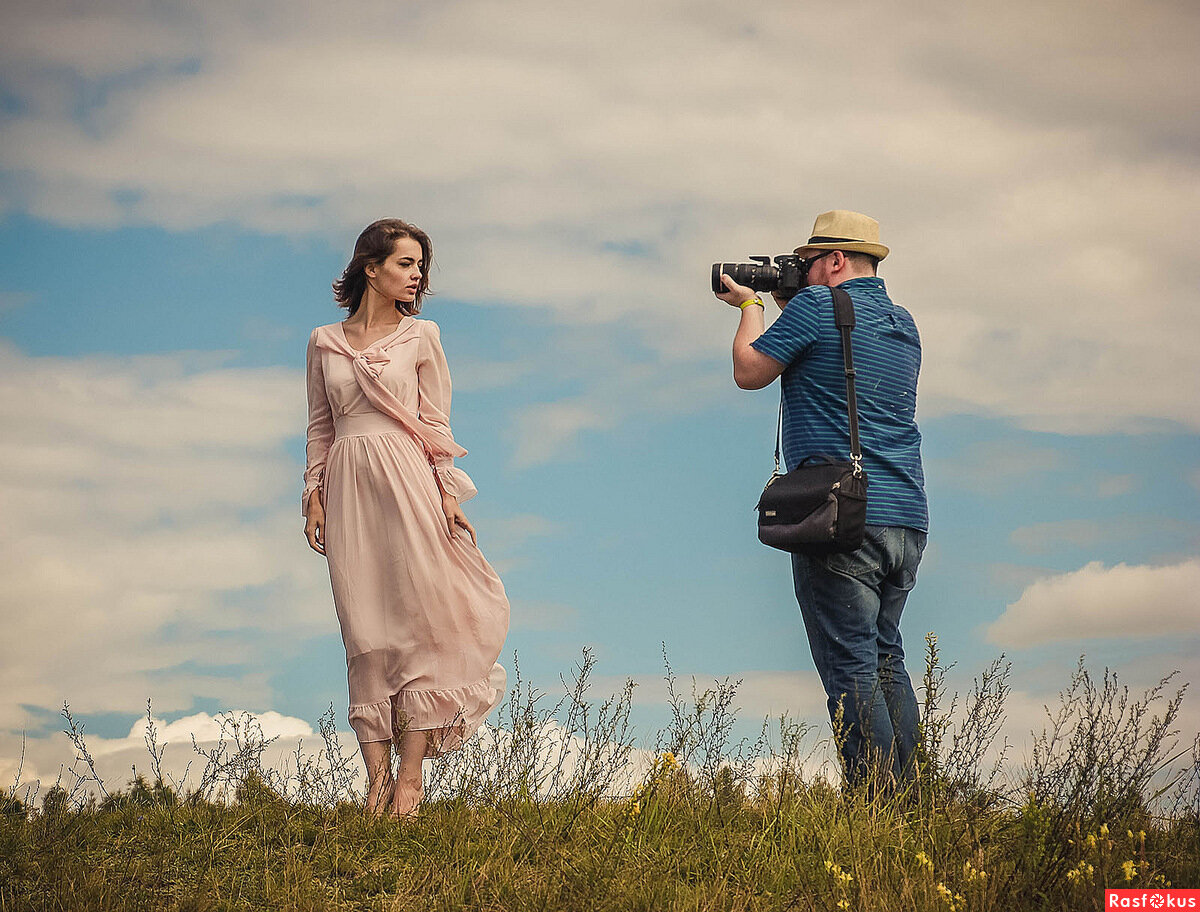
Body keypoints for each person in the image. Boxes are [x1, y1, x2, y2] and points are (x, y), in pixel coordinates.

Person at [303, 218, 509, 818]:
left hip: (409, 478)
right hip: (350, 485)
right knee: (365, 630)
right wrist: (313, 494)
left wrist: (448, 493)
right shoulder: (324, 342)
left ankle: (411, 780)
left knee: (421, 621)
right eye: (405, 263)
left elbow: (436, 423)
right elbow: (320, 425)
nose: (417, 275)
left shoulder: (423, 337)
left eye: (421, 266)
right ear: (371, 267)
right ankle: (374, 781)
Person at [718, 210, 928, 792]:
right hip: (905, 515)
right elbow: (838, 355)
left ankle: (877, 807)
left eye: (808, 263)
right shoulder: (903, 323)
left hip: (841, 516)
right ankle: (914, 807)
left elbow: (749, 370)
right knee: (887, 658)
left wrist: (750, 306)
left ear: (834, 260)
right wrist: (796, 298)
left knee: (851, 667)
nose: (802, 273)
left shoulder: (815, 308)